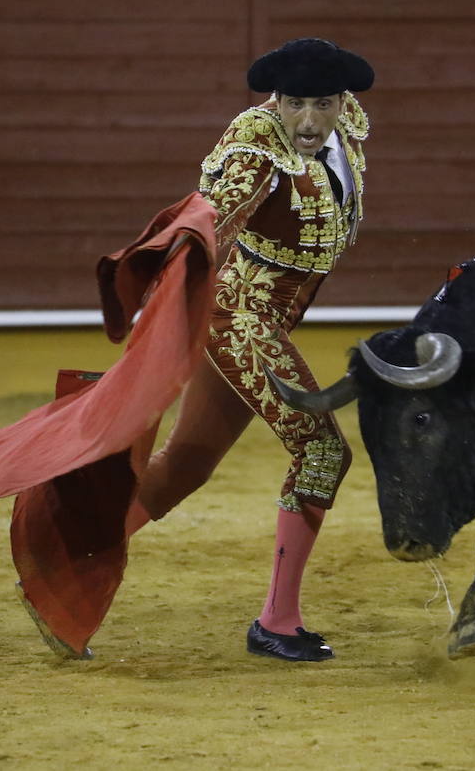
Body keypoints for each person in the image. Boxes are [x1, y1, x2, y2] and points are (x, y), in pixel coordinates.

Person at [124, 38, 374, 661]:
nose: (309, 122)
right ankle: (277, 622)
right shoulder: (253, 147)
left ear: (344, 102)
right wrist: (168, 268)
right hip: (240, 318)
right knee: (320, 450)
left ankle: (66, 563)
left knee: (186, 463)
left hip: (261, 321)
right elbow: (214, 213)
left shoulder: (348, 136)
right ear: (274, 100)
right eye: (294, 104)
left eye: (322, 104)